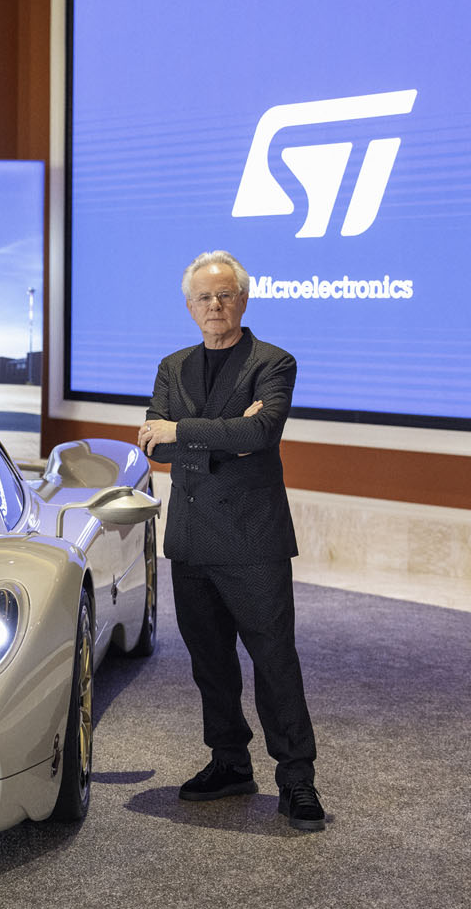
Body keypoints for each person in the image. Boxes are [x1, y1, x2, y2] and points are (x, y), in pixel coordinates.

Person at [138, 249, 326, 832]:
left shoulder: (274, 361)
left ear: (243, 300)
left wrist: (183, 431)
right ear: (189, 306)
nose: (214, 306)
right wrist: (220, 438)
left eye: (225, 295)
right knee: (209, 663)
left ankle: (296, 779)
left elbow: (261, 431)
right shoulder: (173, 365)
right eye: (204, 297)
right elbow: (154, 445)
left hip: (253, 541)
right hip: (191, 541)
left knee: (274, 661)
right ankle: (229, 762)